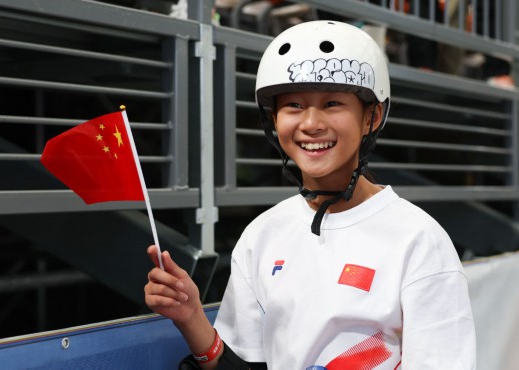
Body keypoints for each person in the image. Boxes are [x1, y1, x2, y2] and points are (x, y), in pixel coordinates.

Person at [144, 20, 476, 369]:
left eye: (332, 103)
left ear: (371, 117)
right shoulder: (263, 233)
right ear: (274, 120)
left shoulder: (419, 240)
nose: (311, 123)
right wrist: (191, 316)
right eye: (294, 106)